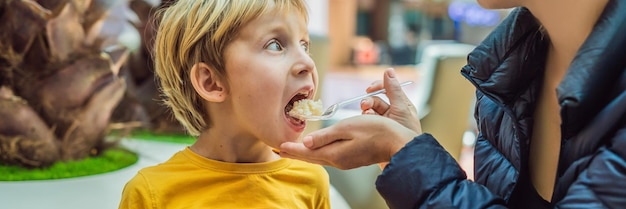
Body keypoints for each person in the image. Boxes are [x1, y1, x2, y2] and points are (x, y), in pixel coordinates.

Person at [279, 0, 626, 208]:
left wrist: (408, 155)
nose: (305, 65)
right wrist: (403, 154)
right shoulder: (508, 71)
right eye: (276, 45)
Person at [119, 0, 331, 208]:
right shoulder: (151, 195)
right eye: (275, 45)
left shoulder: (310, 182)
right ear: (211, 82)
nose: (308, 63)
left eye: (305, 45)